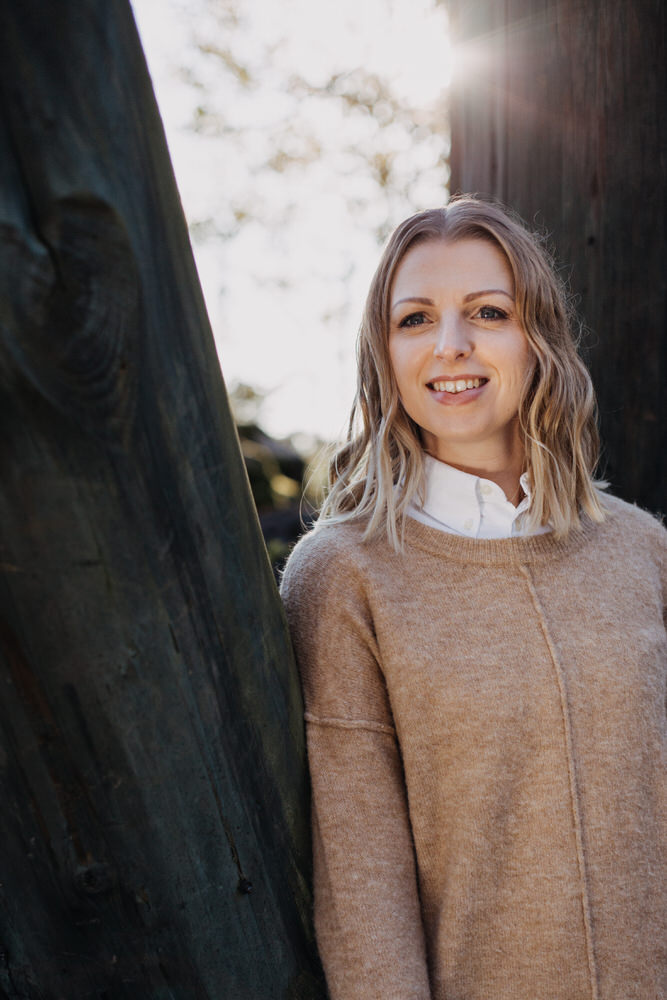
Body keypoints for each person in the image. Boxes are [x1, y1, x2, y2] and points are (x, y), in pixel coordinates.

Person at [279, 196, 666, 1000]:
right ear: (382, 352)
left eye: (487, 312)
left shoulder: (642, 552)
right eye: (414, 319)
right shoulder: (342, 576)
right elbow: (362, 890)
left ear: (539, 338)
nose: (450, 346)